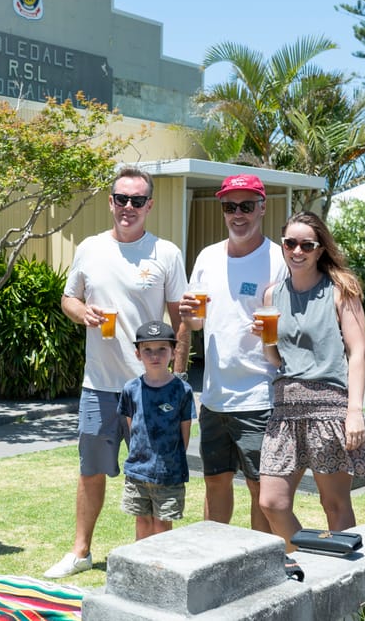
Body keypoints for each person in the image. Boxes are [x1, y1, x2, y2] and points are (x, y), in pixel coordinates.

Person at [44, 166, 187, 579]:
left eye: (137, 200)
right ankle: (81, 552)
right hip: (99, 386)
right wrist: (80, 312)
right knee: (91, 470)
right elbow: (68, 298)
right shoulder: (90, 247)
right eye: (121, 199)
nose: (128, 207)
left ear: (149, 205)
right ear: (110, 202)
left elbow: (179, 321)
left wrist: (175, 382)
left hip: (151, 389)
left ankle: (158, 559)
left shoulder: (167, 253)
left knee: (157, 474)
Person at [255, 211, 365, 552]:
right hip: (284, 409)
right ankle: (311, 559)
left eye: (306, 244)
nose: (297, 251)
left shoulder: (341, 290)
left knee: (334, 504)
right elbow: (276, 360)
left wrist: (355, 411)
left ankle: (341, 576)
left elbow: (357, 352)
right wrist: (265, 339)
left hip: (329, 407)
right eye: (290, 243)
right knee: (272, 502)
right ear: (282, 245)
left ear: (320, 249)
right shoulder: (271, 296)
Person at [179, 173, 286, 533]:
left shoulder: (279, 260)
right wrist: (189, 316)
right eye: (229, 206)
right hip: (214, 396)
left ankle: (258, 560)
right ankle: (214, 557)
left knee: (261, 488)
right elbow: (196, 323)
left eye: (246, 206)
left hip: (261, 395)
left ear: (262, 208)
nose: (237, 214)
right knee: (215, 482)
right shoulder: (208, 257)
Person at [118, 321, 195, 541]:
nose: (155, 355)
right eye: (147, 350)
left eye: (162, 348)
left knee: (162, 524)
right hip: (138, 471)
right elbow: (133, 427)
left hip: (168, 473)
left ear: (173, 352)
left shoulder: (182, 390)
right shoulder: (131, 388)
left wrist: (170, 461)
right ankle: (141, 567)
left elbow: (185, 433)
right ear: (137, 354)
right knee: (142, 520)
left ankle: (161, 568)